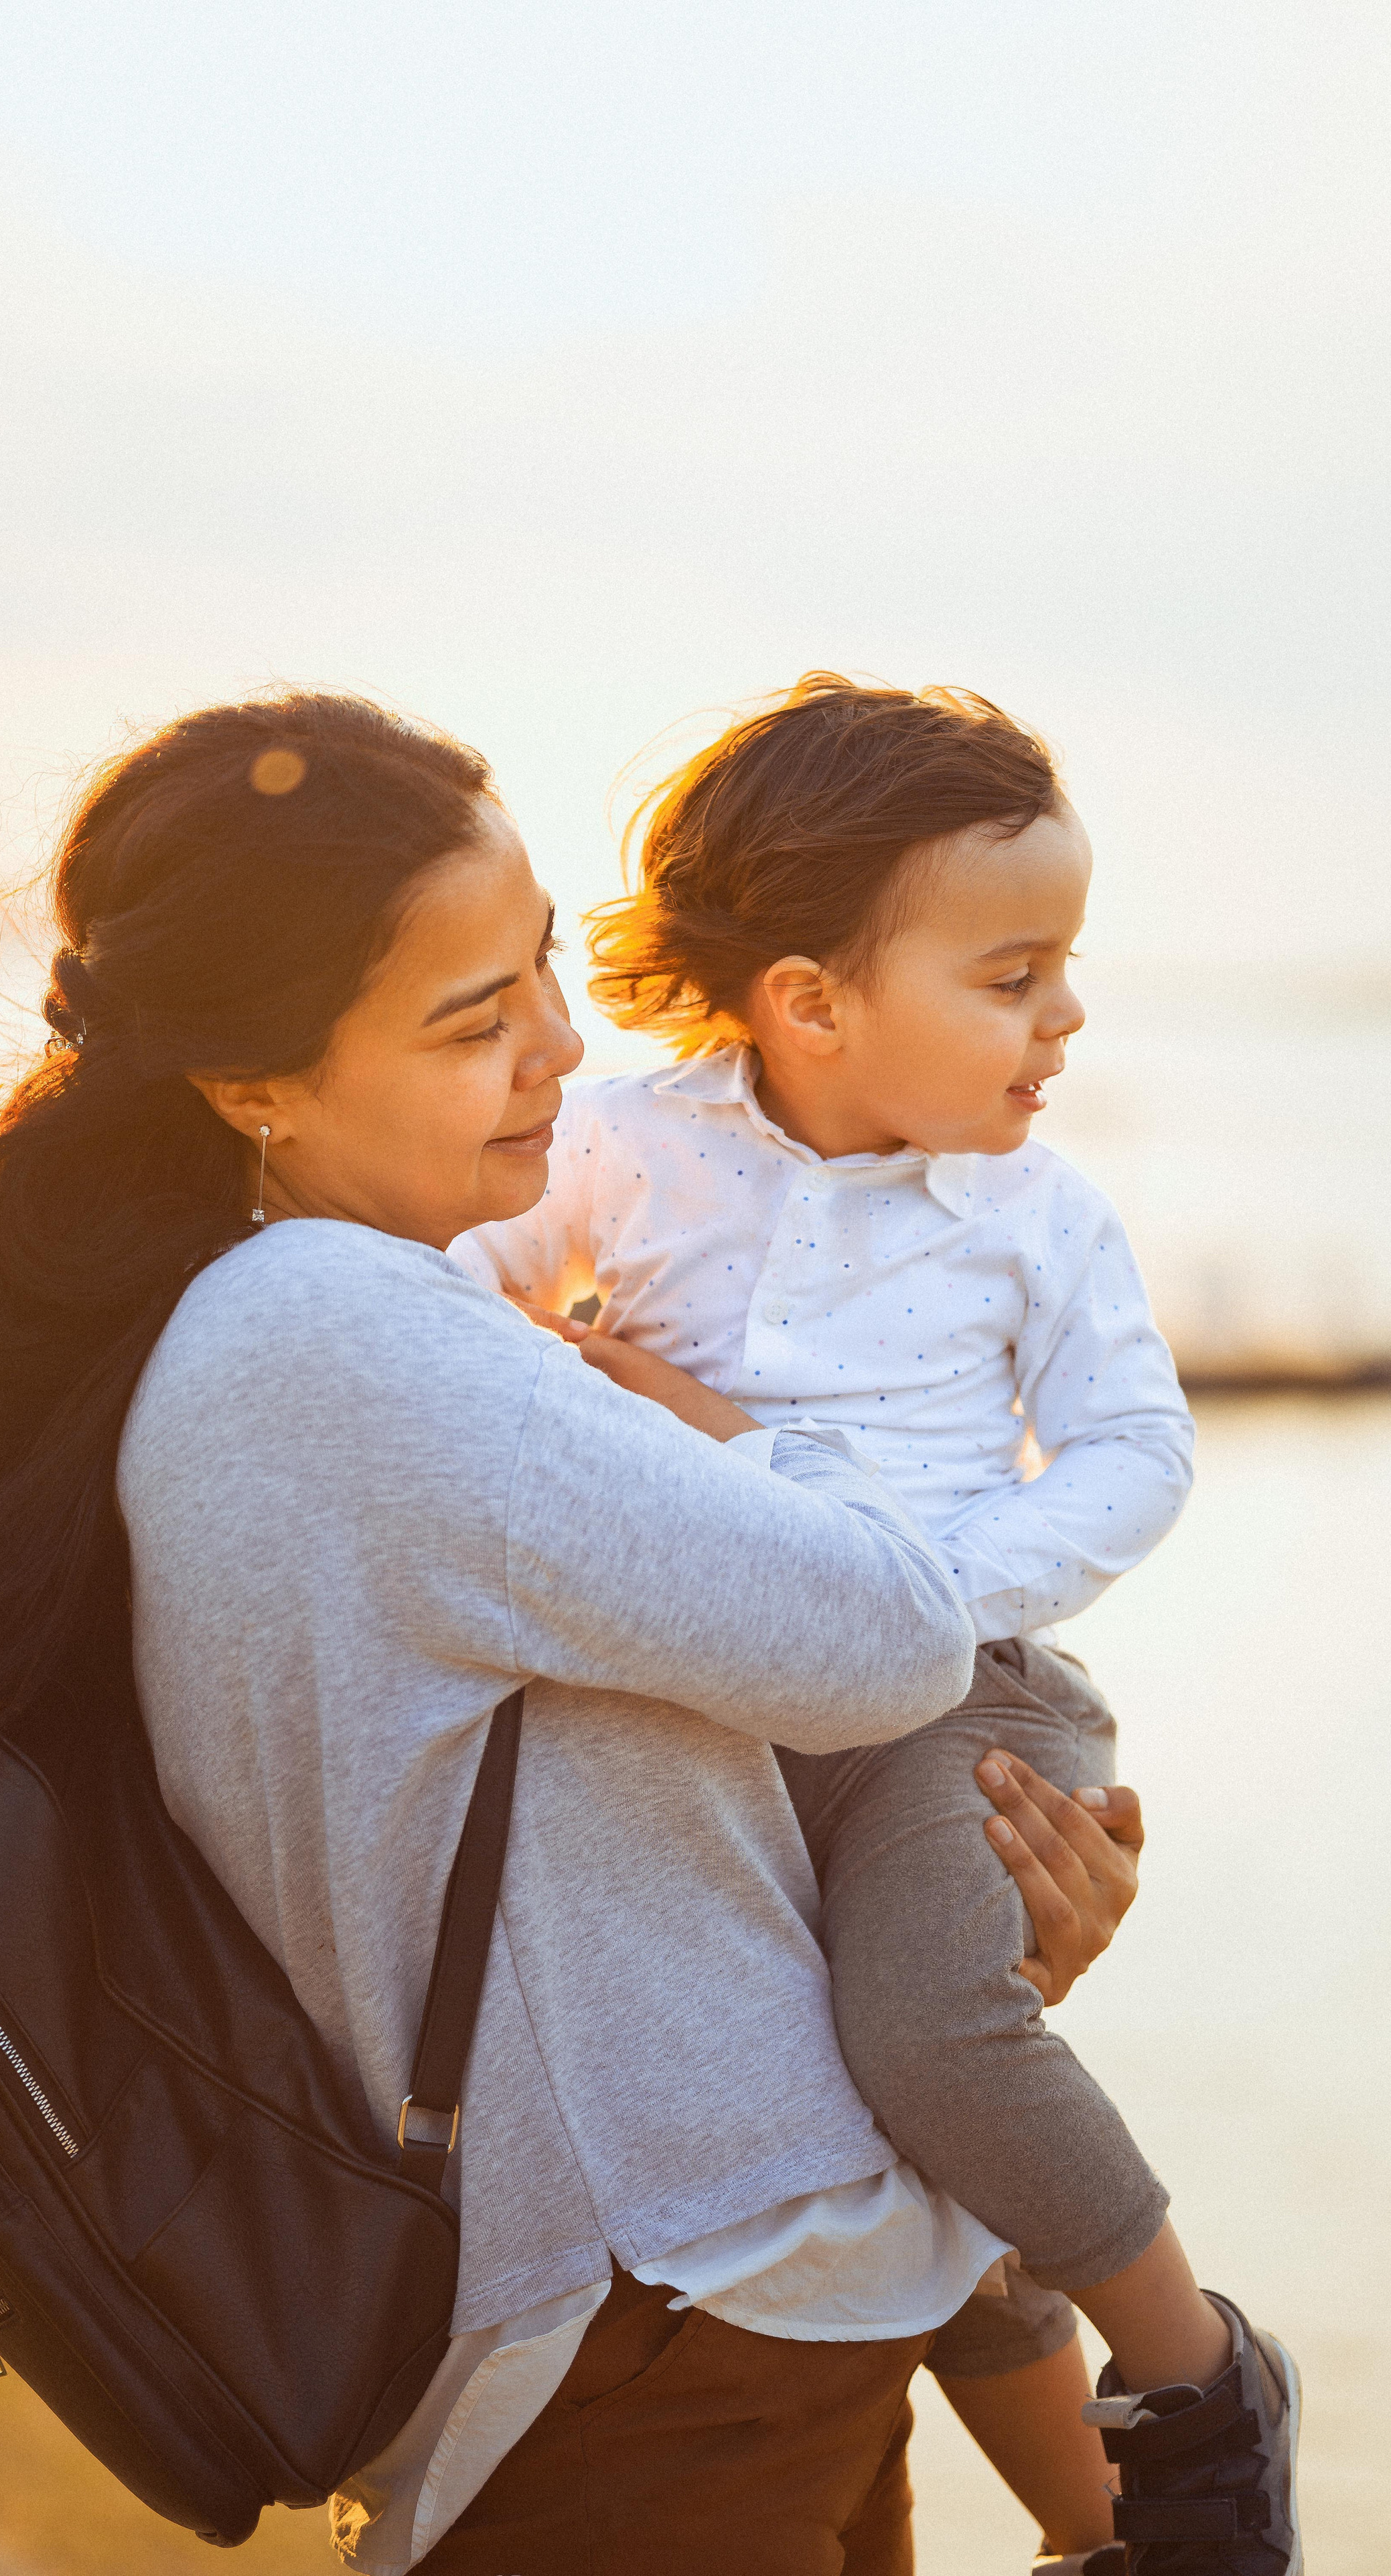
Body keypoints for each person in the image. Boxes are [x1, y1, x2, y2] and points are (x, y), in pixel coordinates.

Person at [0, 690, 1139, 2576]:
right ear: (255, 1088)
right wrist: (775, 1441)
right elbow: (887, 1639)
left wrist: (949, 1960)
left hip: (702, 2309)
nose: (565, 1045)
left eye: (543, 961)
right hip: (655, 2330)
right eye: (474, 1021)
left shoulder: (264, 1323)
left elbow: (573, 1833)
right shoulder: (344, 1337)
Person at [453, 672, 1302, 2576]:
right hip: (724, 1713)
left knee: (926, 2026)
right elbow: (446, 1312)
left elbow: (1130, 1455)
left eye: (1065, 966)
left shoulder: (1037, 1212)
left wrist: (929, 1593)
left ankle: (1197, 2394)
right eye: (1012, 977)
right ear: (812, 1000)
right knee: (858, 2115)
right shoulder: (624, 1150)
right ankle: (1101, 2536)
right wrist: (617, 1410)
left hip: (963, 1701)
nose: (1066, 1017)